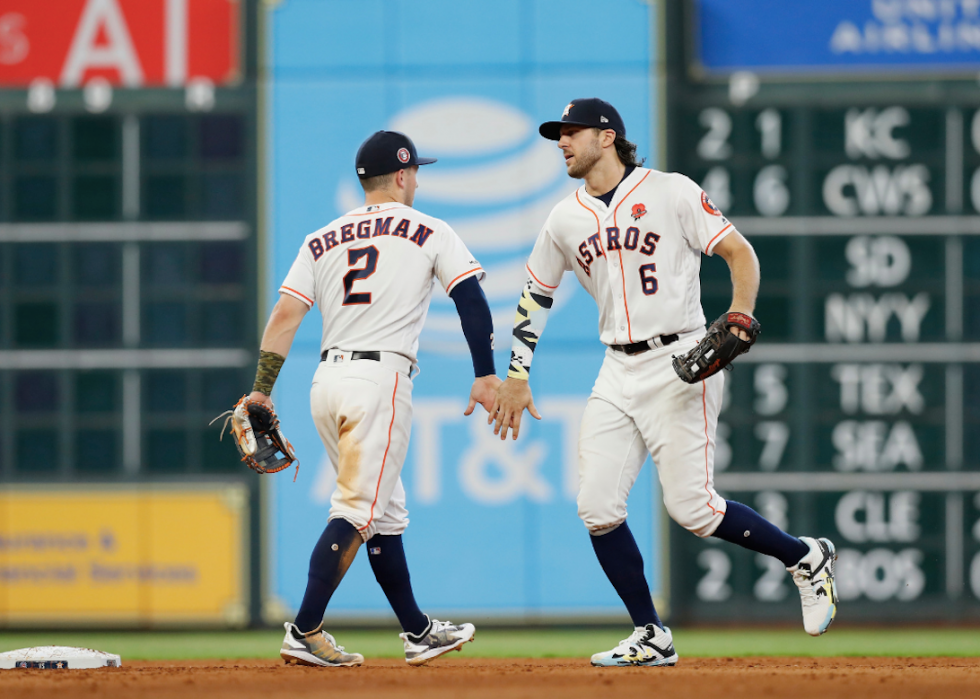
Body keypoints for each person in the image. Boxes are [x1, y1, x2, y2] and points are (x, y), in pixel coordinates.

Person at [489, 98, 838, 667]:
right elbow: (536, 296)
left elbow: (737, 251)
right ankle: (651, 633)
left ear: (608, 137)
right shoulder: (563, 218)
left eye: (572, 132)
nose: (562, 142)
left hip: (681, 359)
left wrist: (742, 313)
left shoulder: (671, 191)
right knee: (596, 505)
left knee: (694, 511)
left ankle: (804, 557)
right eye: (559, 134)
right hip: (615, 368)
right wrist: (517, 374)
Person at [250, 130, 500, 667]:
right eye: (417, 172)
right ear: (405, 175)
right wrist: (485, 373)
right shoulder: (430, 228)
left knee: (385, 515)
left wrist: (260, 389)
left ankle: (417, 630)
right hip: (378, 384)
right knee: (357, 512)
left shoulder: (321, 237)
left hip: (326, 383)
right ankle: (305, 628)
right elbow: (471, 299)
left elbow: (285, 316)